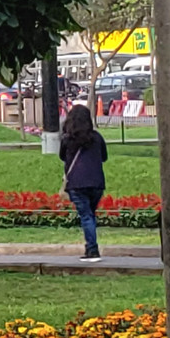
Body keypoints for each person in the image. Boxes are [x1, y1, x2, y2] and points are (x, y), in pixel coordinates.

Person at [59, 105, 108, 261]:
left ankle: (92, 250)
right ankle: (90, 247)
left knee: (86, 216)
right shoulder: (97, 137)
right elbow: (104, 157)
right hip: (96, 182)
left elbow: (62, 157)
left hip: (77, 183)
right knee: (90, 214)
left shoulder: (68, 139)